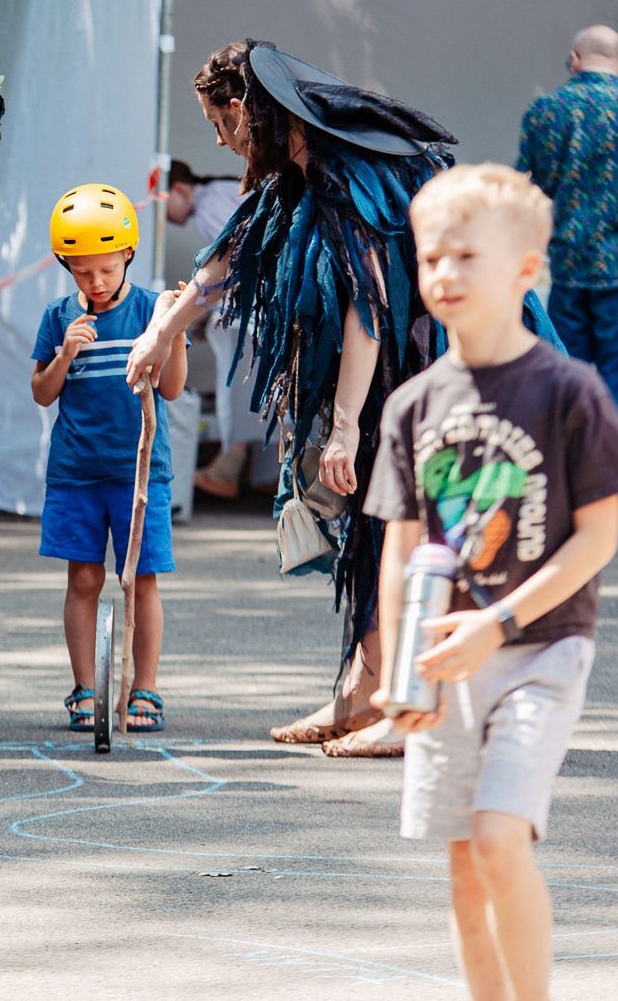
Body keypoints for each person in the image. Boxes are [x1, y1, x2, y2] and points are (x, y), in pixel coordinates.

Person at [125, 39, 466, 759]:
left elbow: (368, 305)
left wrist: (344, 428)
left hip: (418, 373)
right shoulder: (298, 173)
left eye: (220, 123)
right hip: (385, 377)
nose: (218, 140)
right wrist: (162, 330)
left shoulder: (345, 171)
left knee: (401, 530)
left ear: (246, 108)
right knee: (368, 530)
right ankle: (365, 688)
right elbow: (228, 258)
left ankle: (406, 707)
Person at [369, 164, 618, 1001]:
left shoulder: (570, 390)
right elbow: (403, 545)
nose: (443, 275)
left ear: (527, 269)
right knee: (461, 859)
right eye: (430, 259)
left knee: (497, 836)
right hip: (444, 663)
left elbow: (598, 538)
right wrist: (397, 671)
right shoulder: (412, 405)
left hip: (541, 649)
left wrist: (499, 620)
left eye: (465, 257)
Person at [32, 183, 189, 734]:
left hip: (140, 474)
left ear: (127, 253)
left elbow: (170, 390)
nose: (94, 283)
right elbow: (42, 393)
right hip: (77, 473)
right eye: (81, 272)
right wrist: (64, 354)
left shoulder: (152, 309)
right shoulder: (58, 317)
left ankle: (144, 689)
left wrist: (168, 336)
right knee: (82, 579)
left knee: (143, 580)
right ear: (66, 266)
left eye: (104, 269)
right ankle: (85, 688)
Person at [516, 26, 618, 429]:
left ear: (575, 59)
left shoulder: (545, 111)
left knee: (563, 382)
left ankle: (564, 479)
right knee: (617, 386)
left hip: (567, 271)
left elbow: (525, 191)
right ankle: (607, 485)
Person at [166, 161, 260, 499]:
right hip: (256, 308)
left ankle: (228, 468)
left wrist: (196, 313)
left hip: (247, 312)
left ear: (177, 188)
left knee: (235, 388)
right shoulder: (222, 192)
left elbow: (229, 263)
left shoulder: (207, 204)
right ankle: (258, 471)